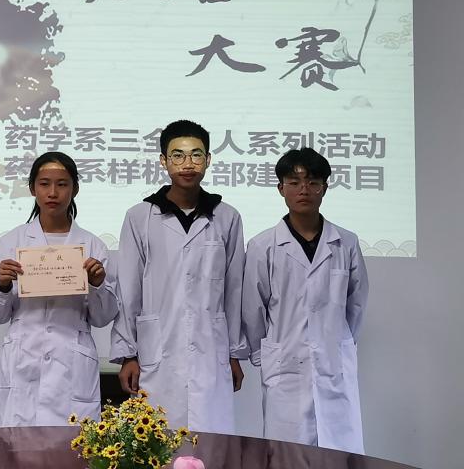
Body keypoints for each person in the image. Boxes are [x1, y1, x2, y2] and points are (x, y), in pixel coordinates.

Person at [111, 119, 246, 434]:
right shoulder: (140, 217)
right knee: (158, 443)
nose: (188, 163)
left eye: (196, 155)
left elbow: (234, 291)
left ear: (208, 160)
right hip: (157, 354)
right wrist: (128, 354)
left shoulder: (227, 217)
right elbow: (128, 290)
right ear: (164, 161)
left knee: (211, 443)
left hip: (211, 353)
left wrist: (234, 354)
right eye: (178, 155)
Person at [243, 147, 369, 453]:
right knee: (287, 453)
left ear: (324, 188)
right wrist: (267, 353)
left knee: (339, 451)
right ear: (280, 188)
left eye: (313, 182)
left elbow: (356, 302)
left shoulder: (346, 242)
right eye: (295, 182)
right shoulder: (263, 246)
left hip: (333, 362)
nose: (304, 190)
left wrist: (340, 342)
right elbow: (253, 309)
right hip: (285, 365)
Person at [0, 151, 117, 426]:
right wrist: (3, 285)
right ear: (32, 188)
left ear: (75, 189)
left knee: (71, 445)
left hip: (71, 363)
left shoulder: (93, 245)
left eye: (62, 184)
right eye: (44, 184)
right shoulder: (13, 241)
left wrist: (97, 285)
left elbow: (103, 318)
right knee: (16, 444)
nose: (53, 192)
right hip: (22, 360)